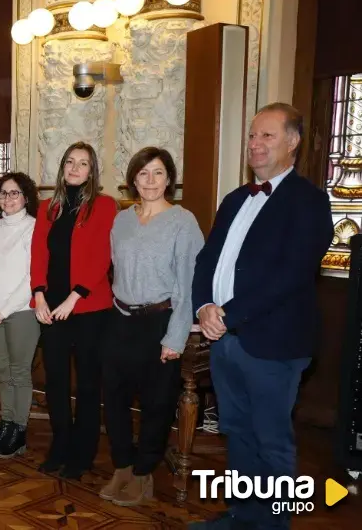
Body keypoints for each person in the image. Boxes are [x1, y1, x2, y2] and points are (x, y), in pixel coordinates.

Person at [189, 104, 333, 530]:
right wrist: (203, 308)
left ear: (292, 143)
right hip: (225, 340)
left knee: (272, 443)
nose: (255, 144)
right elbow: (206, 262)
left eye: (267, 136)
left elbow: (290, 276)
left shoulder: (309, 201)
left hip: (274, 343)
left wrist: (228, 314)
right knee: (237, 435)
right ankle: (241, 516)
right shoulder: (235, 199)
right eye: (252, 136)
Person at [100, 147, 204, 506]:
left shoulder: (183, 221)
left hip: (161, 321)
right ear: (133, 180)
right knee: (113, 398)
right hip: (120, 319)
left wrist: (176, 335)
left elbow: (190, 283)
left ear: (169, 179)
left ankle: (144, 472)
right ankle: (122, 466)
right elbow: (114, 268)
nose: (150, 181)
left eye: (158, 173)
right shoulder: (122, 220)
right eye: (143, 173)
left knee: (157, 403)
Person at [30, 141, 116, 479]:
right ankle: (60, 445)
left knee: (88, 385)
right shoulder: (47, 207)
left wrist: (74, 297)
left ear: (92, 171)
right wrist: (38, 294)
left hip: (90, 308)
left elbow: (102, 258)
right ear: (62, 167)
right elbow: (38, 253)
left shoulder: (105, 206)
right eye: (70, 161)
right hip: (50, 308)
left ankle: (83, 453)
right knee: (55, 382)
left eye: (83, 163)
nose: (75, 168)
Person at [0, 171, 40, 457]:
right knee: (3, 372)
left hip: (21, 311)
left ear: (25, 196)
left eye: (15, 193)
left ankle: (19, 430)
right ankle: (6, 425)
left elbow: (32, 277)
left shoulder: (34, 228)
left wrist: (3, 310)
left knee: (19, 372)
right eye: (4, 193)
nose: (8, 198)